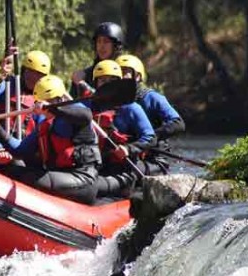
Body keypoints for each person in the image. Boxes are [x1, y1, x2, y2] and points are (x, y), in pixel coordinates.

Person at [0, 75, 101, 204]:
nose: (43, 107)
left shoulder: (77, 110)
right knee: (14, 170)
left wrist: (53, 108)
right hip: (60, 176)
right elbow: (20, 151)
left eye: (49, 101)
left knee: (26, 177)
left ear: (59, 99)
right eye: (40, 102)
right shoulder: (44, 123)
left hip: (83, 179)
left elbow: (86, 116)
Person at [88, 60, 156, 197]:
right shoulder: (88, 106)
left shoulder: (131, 108)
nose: (107, 84)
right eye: (102, 80)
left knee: (92, 187)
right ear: (96, 83)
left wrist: (128, 149)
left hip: (124, 169)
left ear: (119, 83)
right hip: (97, 167)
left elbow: (151, 137)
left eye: (111, 80)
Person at [116, 54, 185, 174]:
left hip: (154, 158)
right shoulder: (112, 101)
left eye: (125, 72)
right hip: (125, 154)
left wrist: (149, 139)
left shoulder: (152, 98)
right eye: (118, 73)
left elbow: (178, 124)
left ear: (137, 76)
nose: (121, 76)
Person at [0, 50, 52, 134]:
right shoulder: (8, 83)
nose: (33, 77)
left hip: (23, 143)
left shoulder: (44, 100)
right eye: (30, 71)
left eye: (39, 74)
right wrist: (1, 73)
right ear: (23, 70)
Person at [71, 22, 125, 97]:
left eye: (106, 41)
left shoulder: (125, 72)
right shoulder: (86, 75)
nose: (101, 46)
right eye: (99, 41)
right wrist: (79, 84)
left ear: (116, 46)